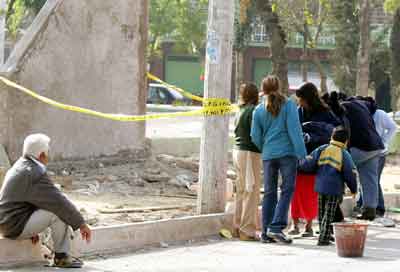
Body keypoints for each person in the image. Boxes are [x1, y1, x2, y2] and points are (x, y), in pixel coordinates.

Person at [0, 134, 91, 268]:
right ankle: (61, 257)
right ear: (42, 155)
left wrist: (33, 229)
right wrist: (81, 224)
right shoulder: (34, 173)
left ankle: (59, 253)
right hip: (14, 225)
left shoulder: (21, 165)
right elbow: (58, 202)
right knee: (58, 212)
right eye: (48, 151)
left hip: (8, 222)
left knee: (54, 206)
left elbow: (31, 200)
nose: (49, 154)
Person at [251, 76, 307, 244]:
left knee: (269, 193)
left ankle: (266, 233)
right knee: (287, 189)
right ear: (279, 86)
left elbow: (255, 136)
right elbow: (294, 131)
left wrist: (265, 147)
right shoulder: (289, 105)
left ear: (263, 89)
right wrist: (302, 154)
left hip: (269, 155)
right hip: (287, 154)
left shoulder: (258, 110)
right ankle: (276, 227)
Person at [290, 82, 340, 237]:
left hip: (317, 158)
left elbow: (334, 131)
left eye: (302, 99)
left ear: (309, 98)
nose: (300, 102)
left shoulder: (325, 113)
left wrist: (313, 136)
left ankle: (309, 226)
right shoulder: (299, 111)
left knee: (311, 192)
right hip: (299, 156)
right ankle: (294, 223)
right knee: (295, 191)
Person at [327, 93, 384, 220]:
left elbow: (342, 128)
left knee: (337, 170)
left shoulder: (343, 107)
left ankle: (335, 209)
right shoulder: (362, 105)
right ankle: (370, 210)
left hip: (359, 146)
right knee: (370, 179)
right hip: (375, 146)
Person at [298, 127, 358, 246]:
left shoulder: (322, 149)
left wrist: (298, 164)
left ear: (331, 137)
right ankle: (324, 238)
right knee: (328, 214)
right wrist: (353, 189)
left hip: (320, 186)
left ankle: (324, 234)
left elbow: (308, 163)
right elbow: (350, 173)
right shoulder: (344, 154)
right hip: (334, 189)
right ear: (346, 141)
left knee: (321, 213)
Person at [355, 97, 397, 217]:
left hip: (379, 152)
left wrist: (383, 142)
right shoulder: (363, 114)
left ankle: (378, 207)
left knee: (373, 180)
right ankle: (365, 205)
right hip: (367, 150)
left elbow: (393, 128)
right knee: (367, 179)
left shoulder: (380, 114)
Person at [232, 83, 262, 241]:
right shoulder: (253, 111)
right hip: (249, 153)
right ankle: (247, 230)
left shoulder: (240, 110)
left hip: (237, 151)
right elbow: (256, 134)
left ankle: (237, 226)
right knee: (251, 192)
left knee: (241, 191)